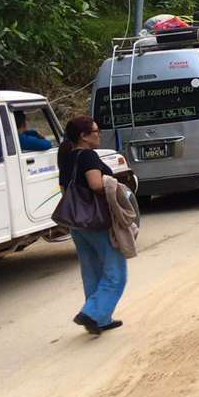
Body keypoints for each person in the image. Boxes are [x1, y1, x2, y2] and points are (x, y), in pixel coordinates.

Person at [60, 116, 126, 334]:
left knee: (91, 270)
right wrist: (115, 187)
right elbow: (96, 184)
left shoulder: (67, 157)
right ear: (84, 136)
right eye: (96, 131)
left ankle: (101, 319)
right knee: (116, 271)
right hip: (96, 220)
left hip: (76, 222)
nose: (99, 135)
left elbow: (64, 190)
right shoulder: (88, 156)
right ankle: (92, 313)